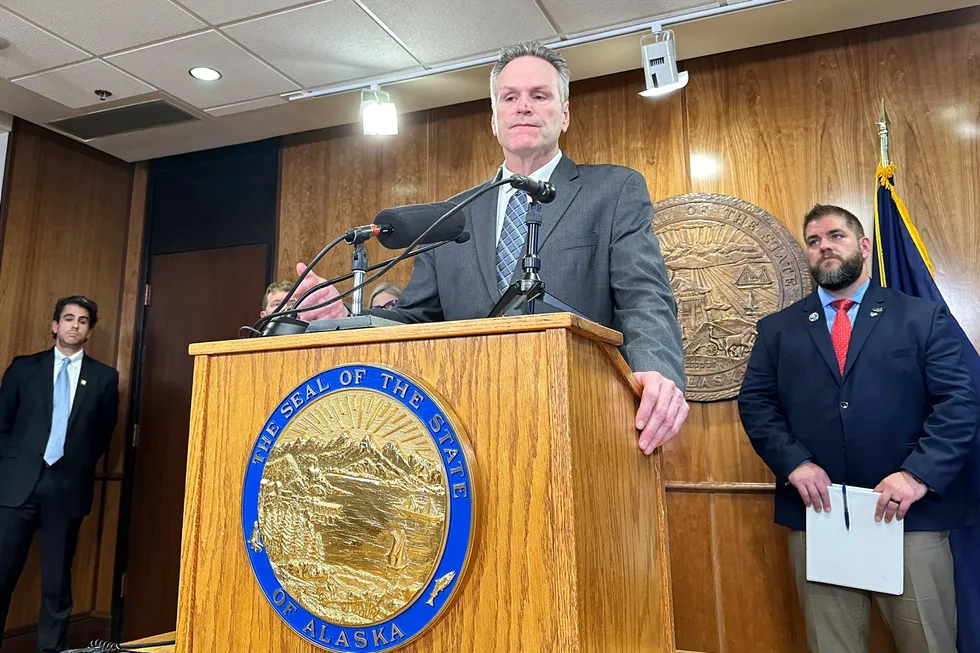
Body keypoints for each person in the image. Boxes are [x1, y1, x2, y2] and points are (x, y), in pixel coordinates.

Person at [294, 41, 688, 454]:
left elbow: (644, 296)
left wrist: (657, 370)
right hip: (470, 433)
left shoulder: (613, 190)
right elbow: (415, 319)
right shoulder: (451, 216)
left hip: (582, 421)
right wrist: (347, 317)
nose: (524, 107)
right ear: (494, 120)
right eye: (510, 97)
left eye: (539, 96)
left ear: (565, 114)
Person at [737, 204, 980, 653]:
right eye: (814, 241)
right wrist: (794, 463)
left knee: (928, 643)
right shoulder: (777, 329)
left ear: (864, 246)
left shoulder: (920, 317)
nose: (824, 247)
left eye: (836, 236)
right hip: (820, 513)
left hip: (910, 515)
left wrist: (918, 474)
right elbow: (756, 404)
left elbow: (959, 402)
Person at [0, 296, 120, 653]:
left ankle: (51, 649)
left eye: (82, 321)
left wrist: (75, 466)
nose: (74, 325)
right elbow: (3, 423)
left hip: (66, 488)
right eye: (68, 318)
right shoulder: (24, 368)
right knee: (2, 573)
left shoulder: (104, 378)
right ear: (55, 325)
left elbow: (102, 434)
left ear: (89, 331)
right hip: (17, 486)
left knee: (56, 582)